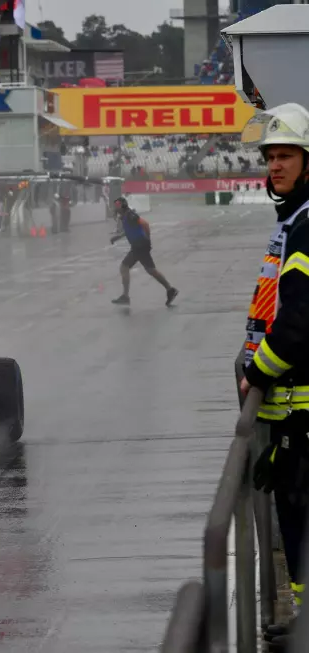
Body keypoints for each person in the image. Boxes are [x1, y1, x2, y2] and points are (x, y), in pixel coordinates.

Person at [236, 103, 309, 651]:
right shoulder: (292, 220)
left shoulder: (305, 226)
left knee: (301, 515)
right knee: (294, 514)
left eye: (286, 155)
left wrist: (256, 370)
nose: (275, 165)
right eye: (270, 156)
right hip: (288, 408)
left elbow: (300, 321)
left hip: (300, 409)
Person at [109, 197, 178, 306]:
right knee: (150, 270)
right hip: (138, 246)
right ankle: (170, 289)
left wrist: (147, 239)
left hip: (139, 245)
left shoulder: (130, 215)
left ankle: (125, 296)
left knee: (125, 267)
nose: (115, 207)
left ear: (123, 205)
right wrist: (117, 237)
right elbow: (129, 230)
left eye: (117, 205)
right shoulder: (125, 216)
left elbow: (145, 224)